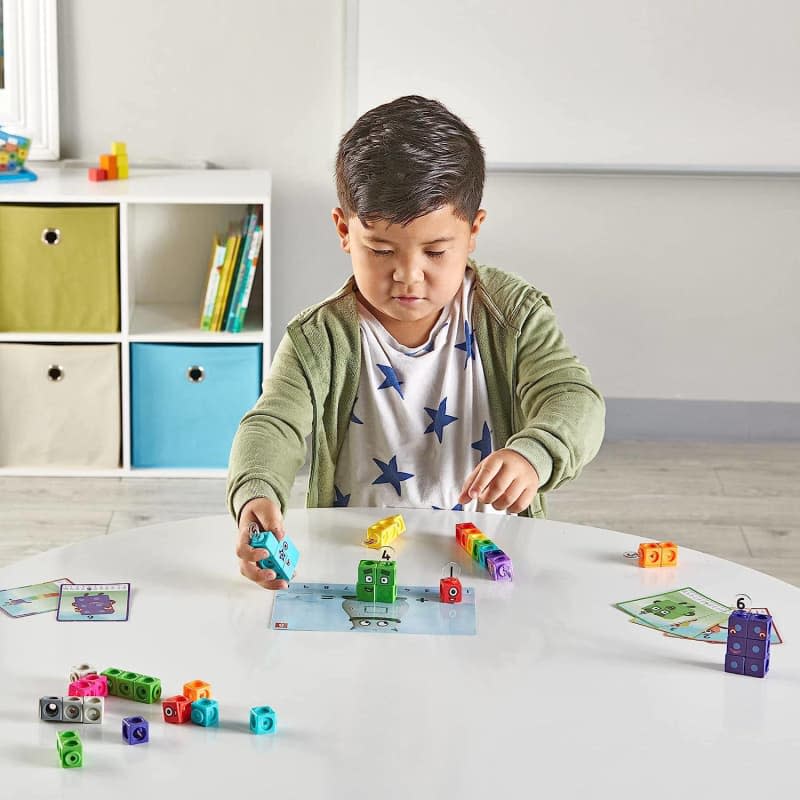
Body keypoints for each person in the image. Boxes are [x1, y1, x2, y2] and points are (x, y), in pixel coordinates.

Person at [228, 95, 605, 589]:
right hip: (354, 561)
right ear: (344, 230)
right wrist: (257, 491)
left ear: (472, 232)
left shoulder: (511, 315)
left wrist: (535, 452)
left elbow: (572, 397)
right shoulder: (319, 338)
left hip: (486, 563)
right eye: (381, 250)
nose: (408, 275)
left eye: (435, 251)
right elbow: (273, 423)